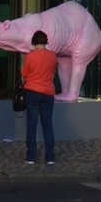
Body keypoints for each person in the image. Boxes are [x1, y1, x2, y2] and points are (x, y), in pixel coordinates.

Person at [21, 27, 58, 168]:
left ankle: (31, 156)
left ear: (34, 42)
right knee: (47, 125)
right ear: (45, 42)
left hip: (32, 92)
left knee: (32, 125)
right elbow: (53, 73)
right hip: (48, 93)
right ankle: (50, 157)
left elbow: (24, 74)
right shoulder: (53, 56)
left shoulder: (30, 56)